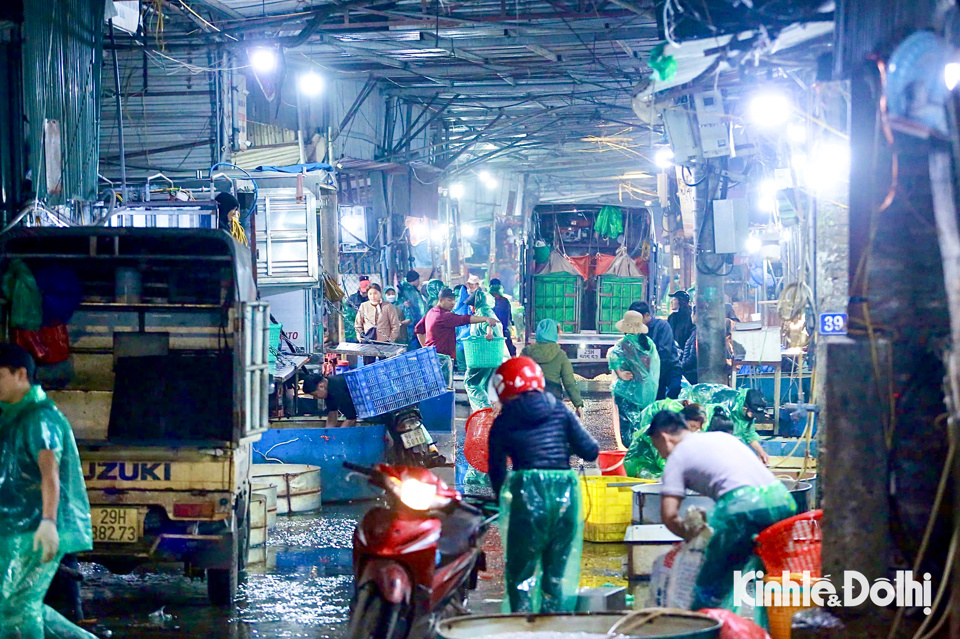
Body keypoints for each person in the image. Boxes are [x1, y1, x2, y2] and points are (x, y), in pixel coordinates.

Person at [648, 410, 796, 610]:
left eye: (658, 449)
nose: (661, 454)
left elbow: (669, 516)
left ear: (664, 438)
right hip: (784, 501)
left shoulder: (677, 457)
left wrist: (693, 537)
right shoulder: (721, 438)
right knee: (770, 578)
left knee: (709, 585)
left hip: (743, 508)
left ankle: (702, 629)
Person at [487, 356, 600, 614]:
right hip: (564, 491)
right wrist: (564, 445)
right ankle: (555, 627)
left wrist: (502, 504)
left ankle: (522, 628)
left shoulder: (503, 421)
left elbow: (496, 471)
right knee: (556, 572)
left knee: (522, 571)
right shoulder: (560, 411)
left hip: (526, 493)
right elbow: (591, 450)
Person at [0, 344, 93, 638]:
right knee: (22, 605)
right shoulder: (13, 416)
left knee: (15, 609)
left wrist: (49, 522)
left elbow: (49, 471)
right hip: (15, 525)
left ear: (21, 374)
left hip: (35, 529)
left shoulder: (40, 417)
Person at [680, 384, 770, 464]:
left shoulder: (746, 415)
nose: (753, 417)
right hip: (697, 402)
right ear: (745, 408)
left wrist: (761, 452)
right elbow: (707, 432)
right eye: (752, 414)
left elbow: (749, 434)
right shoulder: (723, 409)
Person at [608, 310, 660, 447]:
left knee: (627, 428)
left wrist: (619, 372)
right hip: (644, 391)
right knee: (641, 423)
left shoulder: (624, 343)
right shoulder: (648, 344)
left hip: (626, 392)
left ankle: (631, 453)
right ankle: (641, 452)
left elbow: (612, 356)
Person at [622, 399, 705, 478]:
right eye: (692, 426)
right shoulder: (666, 429)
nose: (693, 430)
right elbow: (663, 460)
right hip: (639, 464)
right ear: (683, 419)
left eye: (696, 428)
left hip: (657, 465)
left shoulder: (683, 433)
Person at [522, 319, 583, 417]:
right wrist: (578, 404)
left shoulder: (526, 352)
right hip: (553, 398)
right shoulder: (560, 355)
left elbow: (517, 376)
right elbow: (569, 382)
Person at [414, 288, 492, 364]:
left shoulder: (431, 312)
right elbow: (464, 319)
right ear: (441, 300)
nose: (453, 303)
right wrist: (485, 319)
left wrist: (426, 348)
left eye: (454, 300)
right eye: (449, 300)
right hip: (440, 358)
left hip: (431, 356)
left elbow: (418, 329)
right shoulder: (444, 316)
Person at [629, 301, 681, 400]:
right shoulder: (637, 331)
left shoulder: (662, 326)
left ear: (647, 315)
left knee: (673, 394)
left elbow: (665, 354)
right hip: (649, 373)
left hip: (669, 369)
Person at [463, 291, 503, 412]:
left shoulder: (482, 312)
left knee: (471, 383)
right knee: (486, 385)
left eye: (471, 305)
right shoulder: (489, 311)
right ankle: (491, 413)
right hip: (493, 356)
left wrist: (489, 333)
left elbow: (488, 326)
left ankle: (483, 411)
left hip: (480, 356)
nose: (470, 307)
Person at [398, 270, 426, 349]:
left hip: (411, 324)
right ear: (416, 279)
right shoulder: (410, 291)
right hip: (413, 323)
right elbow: (419, 309)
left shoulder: (405, 289)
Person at [489, 283, 516, 357]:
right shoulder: (504, 300)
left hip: (499, 326)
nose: (494, 295)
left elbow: (508, 314)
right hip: (500, 326)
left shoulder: (501, 301)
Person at [343, 276, 370, 343]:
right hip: (355, 328)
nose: (365, 294)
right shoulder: (352, 299)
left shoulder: (373, 298)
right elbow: (347, 314)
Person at [681, 309, 698, 385]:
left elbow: (693, 355)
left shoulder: (697, 333)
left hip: (692, 374)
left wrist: (683, 366)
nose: (691, 316)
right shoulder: (695, 331)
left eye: (692, 314)